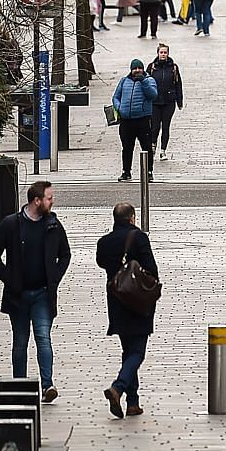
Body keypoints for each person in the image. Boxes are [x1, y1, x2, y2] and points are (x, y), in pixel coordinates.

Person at [0, 180, 71, 403]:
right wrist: (8, 278)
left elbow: (65, 254)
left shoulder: (52, 224)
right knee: (20, 341)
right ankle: (20, 385)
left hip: (43, 293)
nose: (52, 201)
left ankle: (47, 384)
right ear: (37, 201)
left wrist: (54, 277)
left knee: (43, 337)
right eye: (49, 198)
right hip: (19, 294)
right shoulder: (12, 224)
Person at [96, 202, 159, 418]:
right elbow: (151, 268)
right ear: (132, 218)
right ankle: (118, 387)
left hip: (117, 302)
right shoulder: (139, 238)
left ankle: (133, 402)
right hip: (138, 302)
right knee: (137, 352)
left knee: (128, 350)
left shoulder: (104, 242)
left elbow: (101, 263)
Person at [110, 59, 158, 181]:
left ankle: (148, 171)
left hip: (142, 119)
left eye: (139, 68)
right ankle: (126, 171)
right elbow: (116, 97)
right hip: (126, 120)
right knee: (127, 147)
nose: (137, 70)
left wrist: (143, 82)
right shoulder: (124, 81)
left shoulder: (149, 80)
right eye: (135, 68)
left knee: (146, 147)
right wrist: (119, 107)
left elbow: (153, 95)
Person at [147, 45, 184, 158]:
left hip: (169, 101)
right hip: (155, 101)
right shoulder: (152, 67)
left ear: (168, 54)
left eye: (165, 52)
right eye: (161, 52)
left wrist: (179, 101)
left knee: (166, 126)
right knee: (154, 126)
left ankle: (163, 150)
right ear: (158, 53)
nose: (163, 54)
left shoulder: (173, 67)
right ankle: (153, 146)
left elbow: (178, 84)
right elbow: (145, 84)